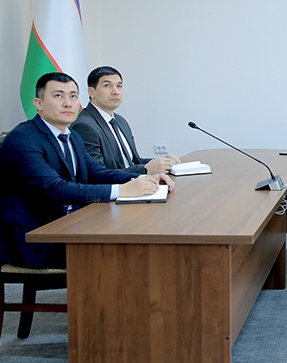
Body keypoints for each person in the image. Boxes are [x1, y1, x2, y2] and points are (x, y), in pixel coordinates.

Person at [0, 72, 173, 268]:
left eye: (73, 96)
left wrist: (146, 177)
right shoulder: (23, 138)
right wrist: (122, 190)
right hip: (36, 236)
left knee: (138, 234)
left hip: (71, 223)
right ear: (38, 103)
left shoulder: (71, 136)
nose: (68, 103)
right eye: (58, 96)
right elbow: (56, 188)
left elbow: (97, 173)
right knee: (122, 252)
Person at [71, 66, 180, 174]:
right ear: (92, 92)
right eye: (107, 85)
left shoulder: (120, 121)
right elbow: (98, 174)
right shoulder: (84, 126)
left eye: (119, 86)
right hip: (117, 185)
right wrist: (145, 169)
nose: (115, 91)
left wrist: (162, 163)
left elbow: (133, 162)